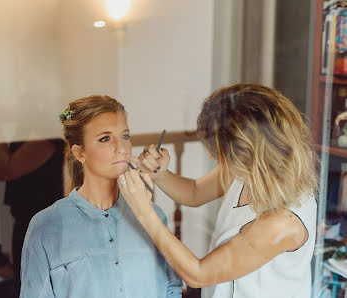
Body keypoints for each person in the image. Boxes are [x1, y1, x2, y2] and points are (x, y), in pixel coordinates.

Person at [118, 83, 318, 298]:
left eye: (217, 152)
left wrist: (144, 211)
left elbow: (198, 274)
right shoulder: (249, 170)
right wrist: (161, 175)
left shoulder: (282, 222)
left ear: (248, 150)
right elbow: (194, 193)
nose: (211, 157)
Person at [20, 95, 182, 298]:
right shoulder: (46, 227)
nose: (121, 148)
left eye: (125, 136)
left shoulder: (153, 216)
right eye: (105, 139)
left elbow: (173, 289)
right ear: (79, 153)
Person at [0, 138, 65, 297]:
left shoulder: (46, 136)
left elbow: (6, 169)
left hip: (45, 230)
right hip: (28, 224)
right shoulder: (29, 131)